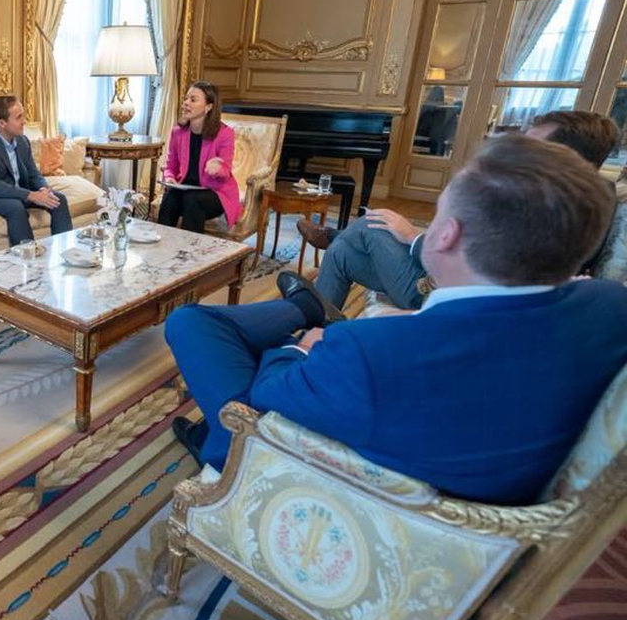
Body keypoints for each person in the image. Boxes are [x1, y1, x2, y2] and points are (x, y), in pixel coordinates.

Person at [166, 134, 627, 506]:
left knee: (194, 326)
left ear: (447, 233)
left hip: (321, 473)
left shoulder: (369, 354)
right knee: (211, 325)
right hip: (446, 440)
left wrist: (303, 346)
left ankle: (222, 446)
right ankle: (303, 310)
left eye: (441, 206)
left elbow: (267, 395)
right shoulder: (609, 308)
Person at [299, 110, 622, 309]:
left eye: (532, 146)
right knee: (343, 252)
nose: (519, 150)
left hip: (446, 294)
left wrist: (413, 236)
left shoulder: (564, 210)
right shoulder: (579, 196)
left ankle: (331, 242)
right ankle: (314, 322)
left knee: (372, 224)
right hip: (448, 280)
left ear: (564, 156)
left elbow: (483, 265)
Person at [0, 95, 72, 245]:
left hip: (16, 192)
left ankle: (65, 251)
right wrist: (30, 195)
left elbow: (33, 174)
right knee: (15, 206)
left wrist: (43, 189)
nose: (24, 121)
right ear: (2, 123)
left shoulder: (22, 141)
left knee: (58, 199)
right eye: (19, 117)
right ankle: (27, 255)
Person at [156, 81, 240, 233]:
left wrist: (217, 168)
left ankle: (190, 252)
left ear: (208, 107)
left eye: (193, 100)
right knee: (170, 198)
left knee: (192, 199)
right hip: (186, 188)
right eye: (186, 98)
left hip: (216, 193)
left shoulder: (225, 134)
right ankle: (162, 246)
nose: (186, 103)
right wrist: (169, 178)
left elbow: (225, 172)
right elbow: (171, 166)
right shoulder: (178, 132)